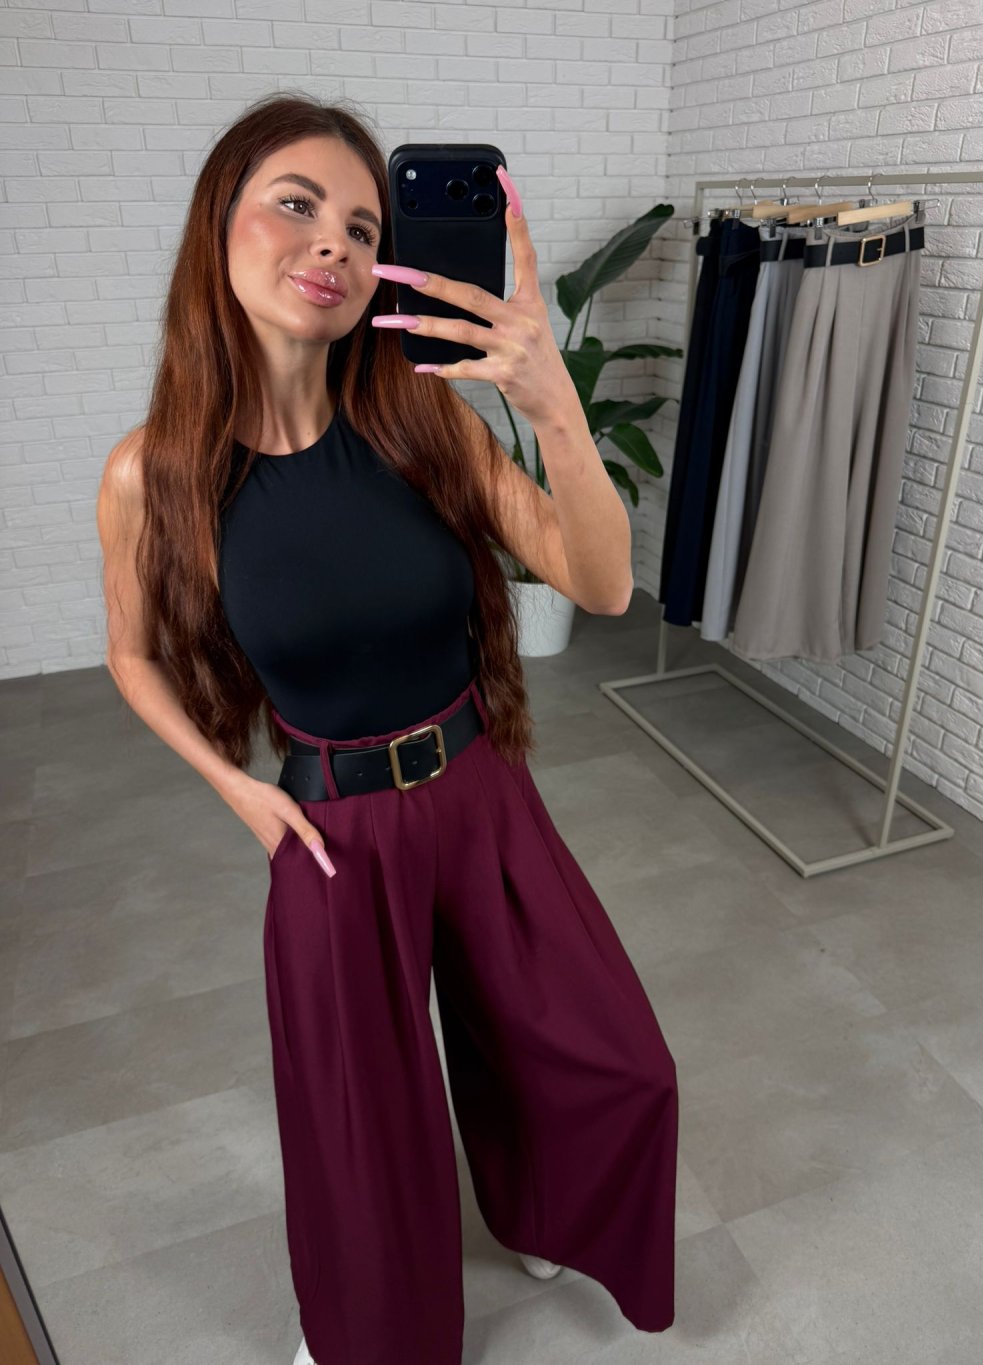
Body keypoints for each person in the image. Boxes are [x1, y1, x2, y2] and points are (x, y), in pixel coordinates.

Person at [96, 92, 678, 1365]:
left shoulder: (425, 424)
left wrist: (549, 400)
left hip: (480, 788)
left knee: (606, 1056)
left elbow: (598, 587)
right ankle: (370, 1328)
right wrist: (238, 790)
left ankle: (544, 1205)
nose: (334, 245)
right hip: (331, 827)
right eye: (296, 205)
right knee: (363, 1123)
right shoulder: (157, 474)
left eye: (364, 228)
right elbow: (131, 657)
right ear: (219, 224)